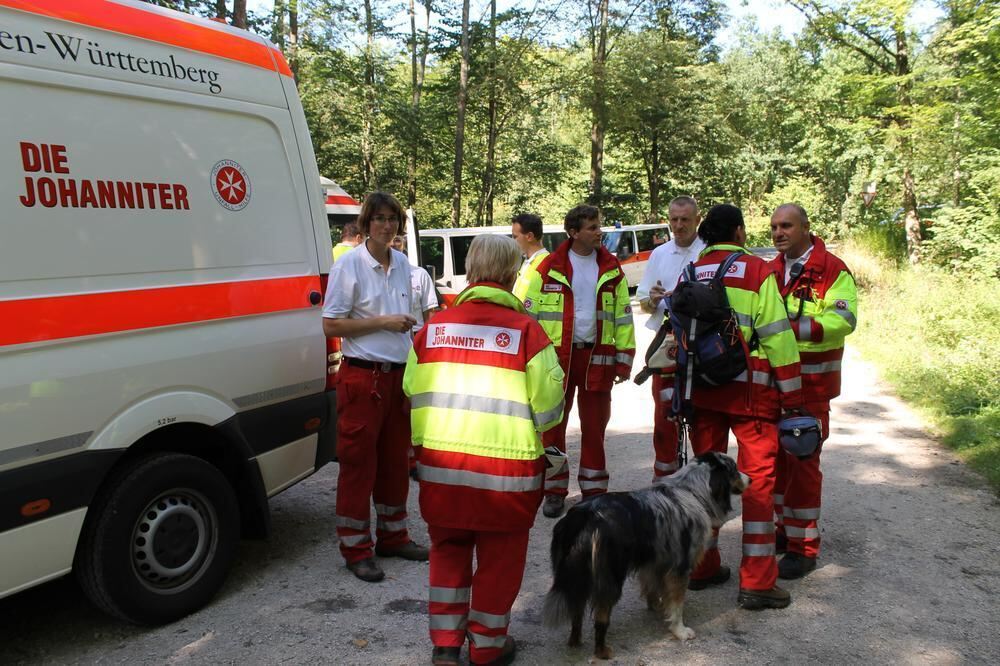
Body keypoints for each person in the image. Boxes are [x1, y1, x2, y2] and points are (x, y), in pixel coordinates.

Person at [404, 234, 565, 666]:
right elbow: (550, 410)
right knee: (499, 561)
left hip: (442, 471)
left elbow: (410, 393)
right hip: (505, 480)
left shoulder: (433, 329)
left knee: (447, 552)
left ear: (472, 272)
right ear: (513, 275)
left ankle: (445, 645)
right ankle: (487, 647)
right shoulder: (527, 332)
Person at [684, 204, 803, 610]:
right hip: (751, 395)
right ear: (737, 232)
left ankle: (701, 567)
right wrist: (794, 395)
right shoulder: (756, 270)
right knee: (757, 486)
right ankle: (757, 581)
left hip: (702, 393)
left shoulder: (691, 271)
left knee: (705, 483)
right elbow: (777, 336)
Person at [322, 192, 428, 583]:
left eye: (392, 219)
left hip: (398, 376)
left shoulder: (402, 263)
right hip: (362, 376)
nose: (386, 225)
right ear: (366, 223)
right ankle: (355, 548)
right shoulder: (349, 265)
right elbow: (331, 325)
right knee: (357, 465)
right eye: (379, 218)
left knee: (396, 464)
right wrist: (382, 322)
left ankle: (393, 536)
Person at [521, 204, 635, 518]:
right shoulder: (549, 267)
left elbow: (624, 316)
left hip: (597, 358)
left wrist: (624, 359)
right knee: (553, 428)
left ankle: (594, 491)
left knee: (595, 428)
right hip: (557, 360)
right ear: (574, 232)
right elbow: (531, 317)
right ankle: (554, 491)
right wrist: (530, 361)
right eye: (592, 227)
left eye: (598, 226)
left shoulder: (611, 266)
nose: (599, 232)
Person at [768, 203, 858, 579]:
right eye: (774, 227)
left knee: (803, 464)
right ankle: (782, 531)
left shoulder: (831, 269)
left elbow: (844, 319)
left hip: (811, 387)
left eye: (786, 226)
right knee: (774, 463)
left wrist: (788, 328)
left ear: (806, 227)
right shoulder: (770, 269)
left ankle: (804, 547)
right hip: (774, 386)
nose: (778, 233)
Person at [635, 196, 706, 483]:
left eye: (685, 220)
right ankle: (663, 480)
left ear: (697, 220)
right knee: (665, 415)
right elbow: (643, 301)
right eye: (674, 219)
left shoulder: (707, 252)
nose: (678, 225)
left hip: (702, 342)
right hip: (668, 342)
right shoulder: (659, 253)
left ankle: (703, 483)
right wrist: (651, 300)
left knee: (703, 417)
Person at [393, 235, 440, 332]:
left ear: (404, 244)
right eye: (389, 240)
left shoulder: (420, 274)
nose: (393, 244)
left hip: (416, 335)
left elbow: (429, 313)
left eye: (397, 240)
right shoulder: (375, 275)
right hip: (388, 337)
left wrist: (425, 339)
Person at [511, 213, 549, 298]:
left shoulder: (547, 265)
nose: (512, 241)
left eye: (515, 237)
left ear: (529, 236)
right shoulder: (527, 262)